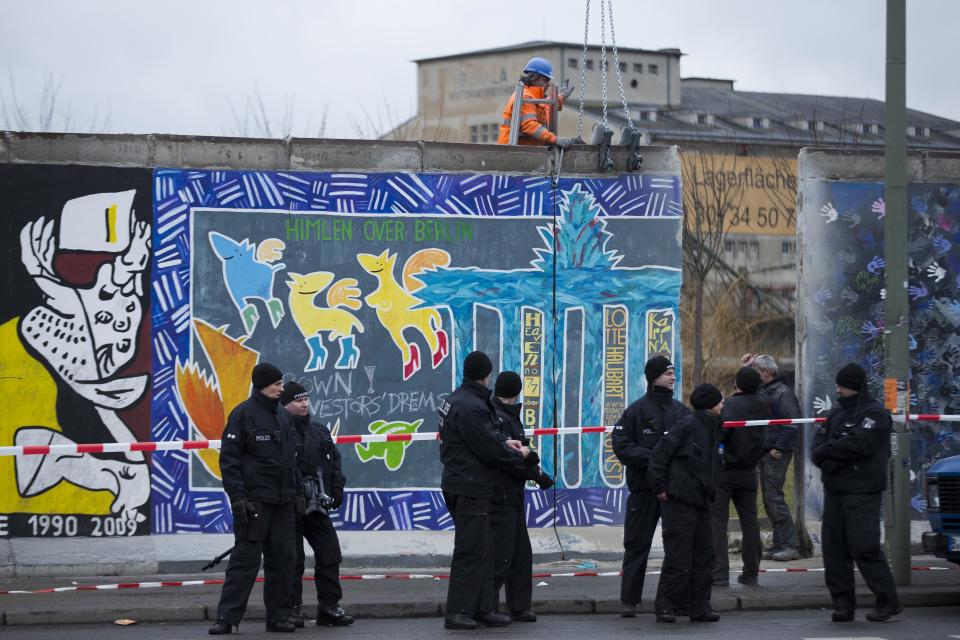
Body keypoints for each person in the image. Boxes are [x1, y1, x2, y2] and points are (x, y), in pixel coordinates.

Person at [439, 351, 534, 630]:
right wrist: (522, 457)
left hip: (466, 484)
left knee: (483, 550)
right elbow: (487, 448)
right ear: (486, 374)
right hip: (470, 486)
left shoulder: (458, 400)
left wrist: (508, 444)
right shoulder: (470, 406)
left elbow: (488, 438)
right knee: (471, 551)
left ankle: (482, 609)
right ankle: (458, 612)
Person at [209, 363, 299, 635]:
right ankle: (227, 618)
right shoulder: (242, 415)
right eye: (277, 384)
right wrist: (237, 498)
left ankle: (279, 617)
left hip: (282, 502)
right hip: (254, 503)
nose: (281, 388)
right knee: (245, 561)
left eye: (282, 384)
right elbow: (229, 461)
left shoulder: (283, 417)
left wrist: (297, 495)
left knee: (284, 560)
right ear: (262, 384)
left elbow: (290, 461)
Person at [812, 363, 901, 623]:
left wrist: (829, 453)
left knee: (864, 548)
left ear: (853, 386)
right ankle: (842, 605)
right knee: (834, 550)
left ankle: (888, 601)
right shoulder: (837, 411)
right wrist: (825, 456)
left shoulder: (875, 413)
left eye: (842, 386)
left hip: (862, 491)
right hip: (836, 491)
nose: (838, 390)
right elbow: (820, 442)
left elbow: (860, 444)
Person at [611, 355, 690, 617]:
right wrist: (654, 458)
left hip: (673, 491)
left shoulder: (681, 411)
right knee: (636, 545)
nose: (673, 376)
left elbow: (692, 446)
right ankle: (629, 601)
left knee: (677, 548)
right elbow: (621, 446)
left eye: (673, 372)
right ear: (653, 377)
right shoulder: (636, 411)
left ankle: (672, 601)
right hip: (644, 491)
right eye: (668, 372)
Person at [648, 383, 724, 624]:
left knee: (704, 556)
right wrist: (660, 488)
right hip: (679, 501)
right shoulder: (687, 425)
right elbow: (658, 457)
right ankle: (666, 606)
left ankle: (698, 606)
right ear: (712, 404)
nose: (724, 405)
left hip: (701, 501)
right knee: (678, 557)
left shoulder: (713, 426)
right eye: (720, 401)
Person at [281, 382, 353, 629]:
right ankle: (293, 609)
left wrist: (337, 489)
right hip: (289, 506)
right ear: (284, 404)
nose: (303, 404)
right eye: (297, 400)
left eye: (305, 399)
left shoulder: (319, 431)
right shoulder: (280, 432)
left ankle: (329, 607)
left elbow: (334, 461)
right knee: (293, 559)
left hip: (316, 504)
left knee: (330, 552)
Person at [489, 371, 555, 623]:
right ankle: (491, 606)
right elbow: (513, 459)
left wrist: (536, 472)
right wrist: (537, 473)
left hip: (511, 494)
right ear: (517, 392)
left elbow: (521, 453)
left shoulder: (505, 416)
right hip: (501, 495)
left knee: (519, 553)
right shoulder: (501, 418)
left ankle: (518, 606)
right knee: (501, 554)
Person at [711, 367, 770, 587]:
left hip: (726, 470)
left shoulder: (731, 405)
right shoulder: (764, 402)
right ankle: (751, 571)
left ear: (738, 384)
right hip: (750, 470)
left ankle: (719, 573)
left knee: (717, 522)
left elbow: (721, 433)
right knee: (750, 521)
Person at [743, 353, 802, 562]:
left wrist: (778, 447)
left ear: (767, 373)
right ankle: (780, 543)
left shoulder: (782, 393)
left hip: (776, 451)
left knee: (774, 498)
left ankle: (789, 545)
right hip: (767, 449)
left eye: (756, 372)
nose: (754, 376)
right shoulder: (768, 390)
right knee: (769, 499)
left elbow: (792, 422)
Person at [497, 57, 575, 148]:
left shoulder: (533, 97)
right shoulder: (525, 97)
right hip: (513, 150)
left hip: (525, 150)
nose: (548, 84)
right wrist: (555, 139)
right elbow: (530, 125)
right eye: (545, 80)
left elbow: (547, 108)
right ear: (533, 77)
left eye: (549, 81)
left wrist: (561, 97)